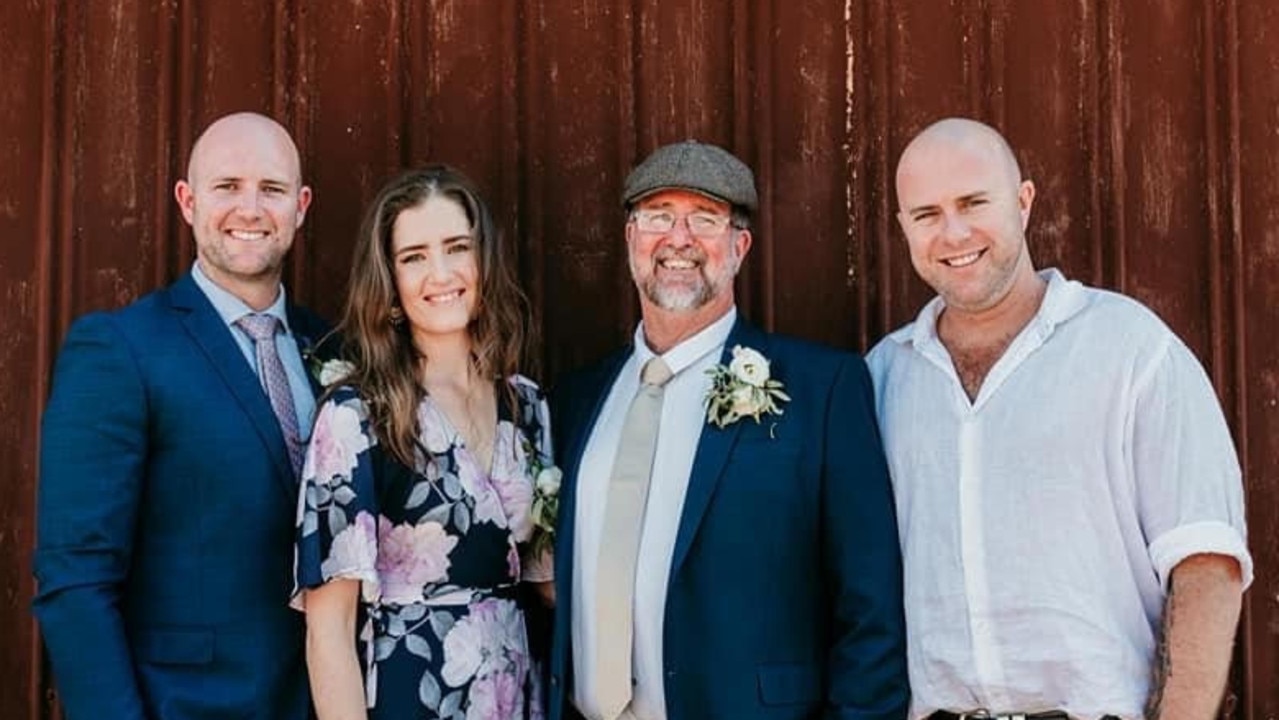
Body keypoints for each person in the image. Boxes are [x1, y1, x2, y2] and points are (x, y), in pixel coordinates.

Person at [866, 117, 1253, 720]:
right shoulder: (884, 377)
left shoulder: (1129, 350)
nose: (954, 232)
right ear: (904, 229)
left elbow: (1205, 561)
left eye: (974, 203)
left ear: (1023, 203)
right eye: (927, 214)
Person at [546, 140, 908, 720]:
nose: (679, 239)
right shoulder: (574, 400)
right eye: (658, 216)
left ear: (739, 247)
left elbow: (871, 610)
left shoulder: (823, 389)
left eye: (705, 219)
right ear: (631, 239)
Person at [33, 112, 324, 718]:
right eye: (227, 187)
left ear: (300, 206)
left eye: (270, 190)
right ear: (188, 202)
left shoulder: (334, 351)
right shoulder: (120, 350)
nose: (250, 208)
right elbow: (75, 583)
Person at [293, 165, 554, 720]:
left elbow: (550, 586)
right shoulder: (357, 414)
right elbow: (330, 631)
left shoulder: (526, 407)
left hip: (514, 695)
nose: (441, 272)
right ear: (389, 280)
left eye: (457, 247)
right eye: (414, 256)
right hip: (413, 693)